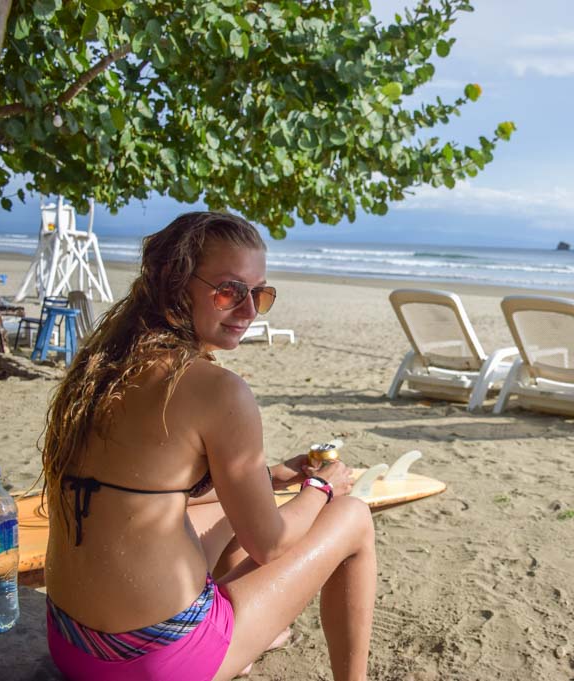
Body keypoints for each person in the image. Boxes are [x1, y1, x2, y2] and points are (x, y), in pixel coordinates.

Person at [41, 212, 375, 681]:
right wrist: (321, 486)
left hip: (72, 645)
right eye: (229, 291)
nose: (249, 311)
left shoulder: (101, 369)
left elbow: (142, 486)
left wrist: (270, 476)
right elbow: (271, 544)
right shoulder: (218, 390)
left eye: (259, 294)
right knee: (353, 516)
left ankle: (252, 633)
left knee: (229, 517)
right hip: (153, 663)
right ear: (175, 284)